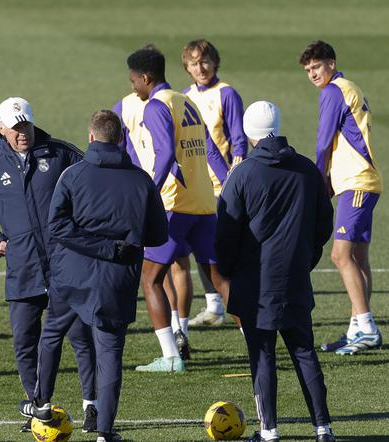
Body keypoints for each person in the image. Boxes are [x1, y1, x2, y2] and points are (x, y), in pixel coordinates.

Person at [20, 110, 167, 442]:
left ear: (90, 138)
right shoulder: (141, 180)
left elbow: (56, 227)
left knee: (52, 334)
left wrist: (96, 246)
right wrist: (115, 245)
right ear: (121, 138)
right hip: (116, 282)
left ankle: (41, 402)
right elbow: (158, 235)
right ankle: (104, 431)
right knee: (109, 354)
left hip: (71, 279)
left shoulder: (72, 176)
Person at [0, 97, 98, 433]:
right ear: (2, 129)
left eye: (27, 125)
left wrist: (81, 237)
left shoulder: (62, 153)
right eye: (16, 127)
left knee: (81, 336)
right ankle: (38, 406)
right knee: (25, 340)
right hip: (23, 269)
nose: (23, 133)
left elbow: (92, 189)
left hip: (65, 266)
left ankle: (92, 406)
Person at [216, 101, 335, 442]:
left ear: (249, 134)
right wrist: (305, 258)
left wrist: (229, 272)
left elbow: (225, 235)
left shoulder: (243, 174)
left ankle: (269, 431)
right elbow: (322, 224)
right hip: (295, 278)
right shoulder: (307, 170)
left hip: (255, 283)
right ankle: (323, 428)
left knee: (262, 355)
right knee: (304, 352)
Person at [123, 46, 229, 371]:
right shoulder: (188, 102)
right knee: (221, 279)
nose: (132, 88)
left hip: (173, 205)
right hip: (203, 203)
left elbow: (165, 152)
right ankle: (257, 342)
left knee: (150, 277)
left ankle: (170, 357)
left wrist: (150, 191)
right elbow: (207, 149)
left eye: (133, 81)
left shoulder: (155, 106)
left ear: (145, 78)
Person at [299, 40, 382, 355]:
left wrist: (319, 181)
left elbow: (323, 143)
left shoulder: (333, 91)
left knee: (340, 255)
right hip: (361, 181)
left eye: (316, 67)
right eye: (308, 70)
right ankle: (356, 329)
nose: (312, 74)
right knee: (358, 258)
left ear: (330, 64)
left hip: (356, 183)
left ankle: (368, 328)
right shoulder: (348, 87)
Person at [181, 39, 248, 327]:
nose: (201, 67)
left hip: (223, 185)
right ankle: (213, 306)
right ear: (187, 67)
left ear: (215, 62)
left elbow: (239, 138)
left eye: (205, 61)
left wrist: (236, 173)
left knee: (225, 247)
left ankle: (239, 304)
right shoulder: (184, 96)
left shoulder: (227, 94)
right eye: (194, 63)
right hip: (196, 186)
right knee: (200, 246)